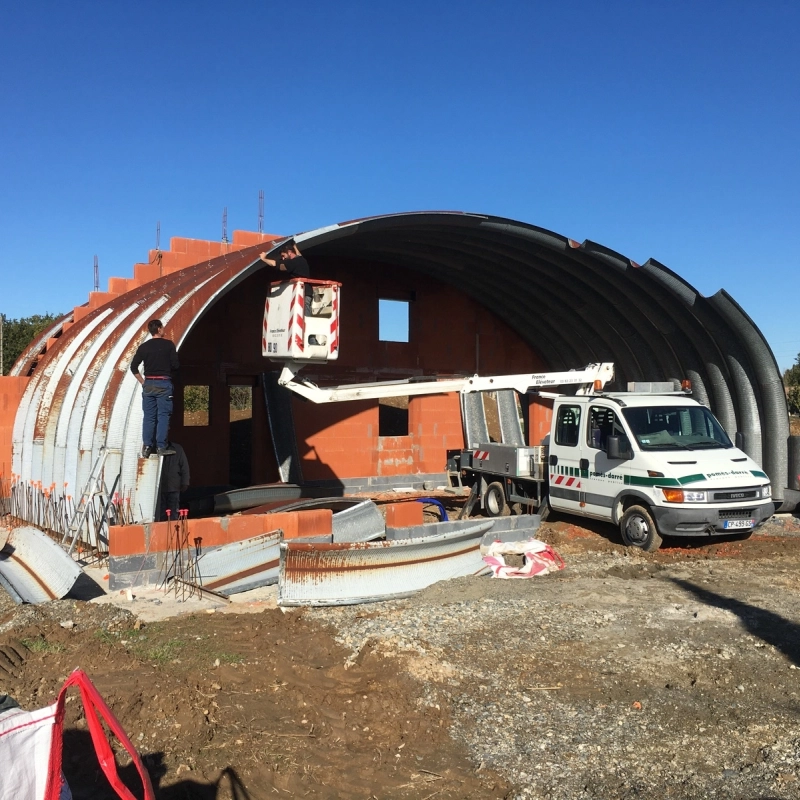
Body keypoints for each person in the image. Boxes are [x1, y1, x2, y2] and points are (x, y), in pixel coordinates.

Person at [130, 319, 179, 457]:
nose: (164, 329)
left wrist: (143, 382)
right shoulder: (169, 345)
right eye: (162, 327)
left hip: (149, 384)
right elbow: (176, 365)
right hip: (163, 383)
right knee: (163, 416)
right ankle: (161, 447)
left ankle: (147, 447)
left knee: (149, 417)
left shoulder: (144, 347)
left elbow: (133, 367)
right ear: (158, 329)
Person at [159, 441, 190, 521]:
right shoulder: (156, 449)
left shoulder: (178, 449)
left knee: (173, 513)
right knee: (161, 513)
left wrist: (185, 482)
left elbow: (184, 467)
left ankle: (173, 527)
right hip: (160, 489)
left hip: (174, 487)